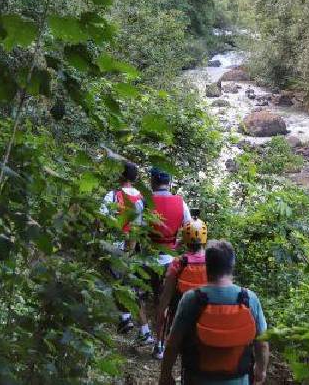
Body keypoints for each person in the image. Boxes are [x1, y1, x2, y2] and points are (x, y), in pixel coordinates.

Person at [158, 241, 269, 385]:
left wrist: (165, 375)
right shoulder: (249, 299)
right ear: (232, 265)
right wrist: (261, 370)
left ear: (207, 266)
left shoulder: (192, 299)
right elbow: (263, 342)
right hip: (239, 379)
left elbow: (173, 343)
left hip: (197, 378)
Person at [99, 162, 152, 341]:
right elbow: (146, 223)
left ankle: (125, 318)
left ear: (120, 176)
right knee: (133, 287)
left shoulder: (113, 195)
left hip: (115, 245)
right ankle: (143, 329)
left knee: (115, 283)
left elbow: (101, 219)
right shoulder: (142, 198)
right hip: (135, 248)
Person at [153, 217, 209, 360]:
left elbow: (165, 299)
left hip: (182, 313)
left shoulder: (179, 262)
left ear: (185, 238)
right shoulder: (212, 262)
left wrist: (161, 309)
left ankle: (158, 345)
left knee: (162, 306)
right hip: (206, 315)